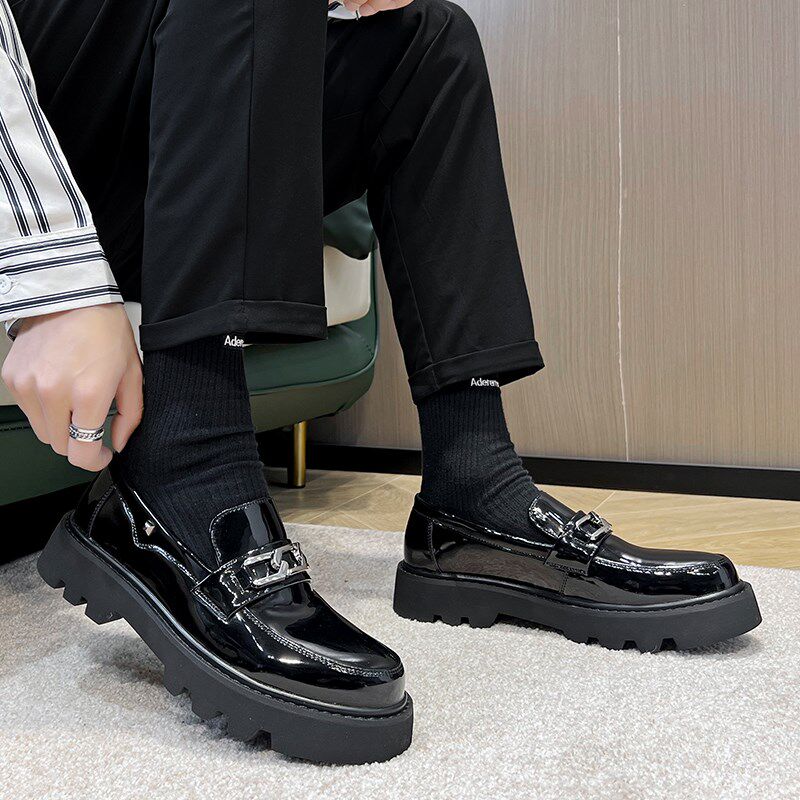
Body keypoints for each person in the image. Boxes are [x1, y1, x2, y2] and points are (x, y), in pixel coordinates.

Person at [0, 0, 760, 764]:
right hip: (28, 148)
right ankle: (185, 472)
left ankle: (473, 492)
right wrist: (53, 284)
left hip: (121, 130)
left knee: (426, 41)